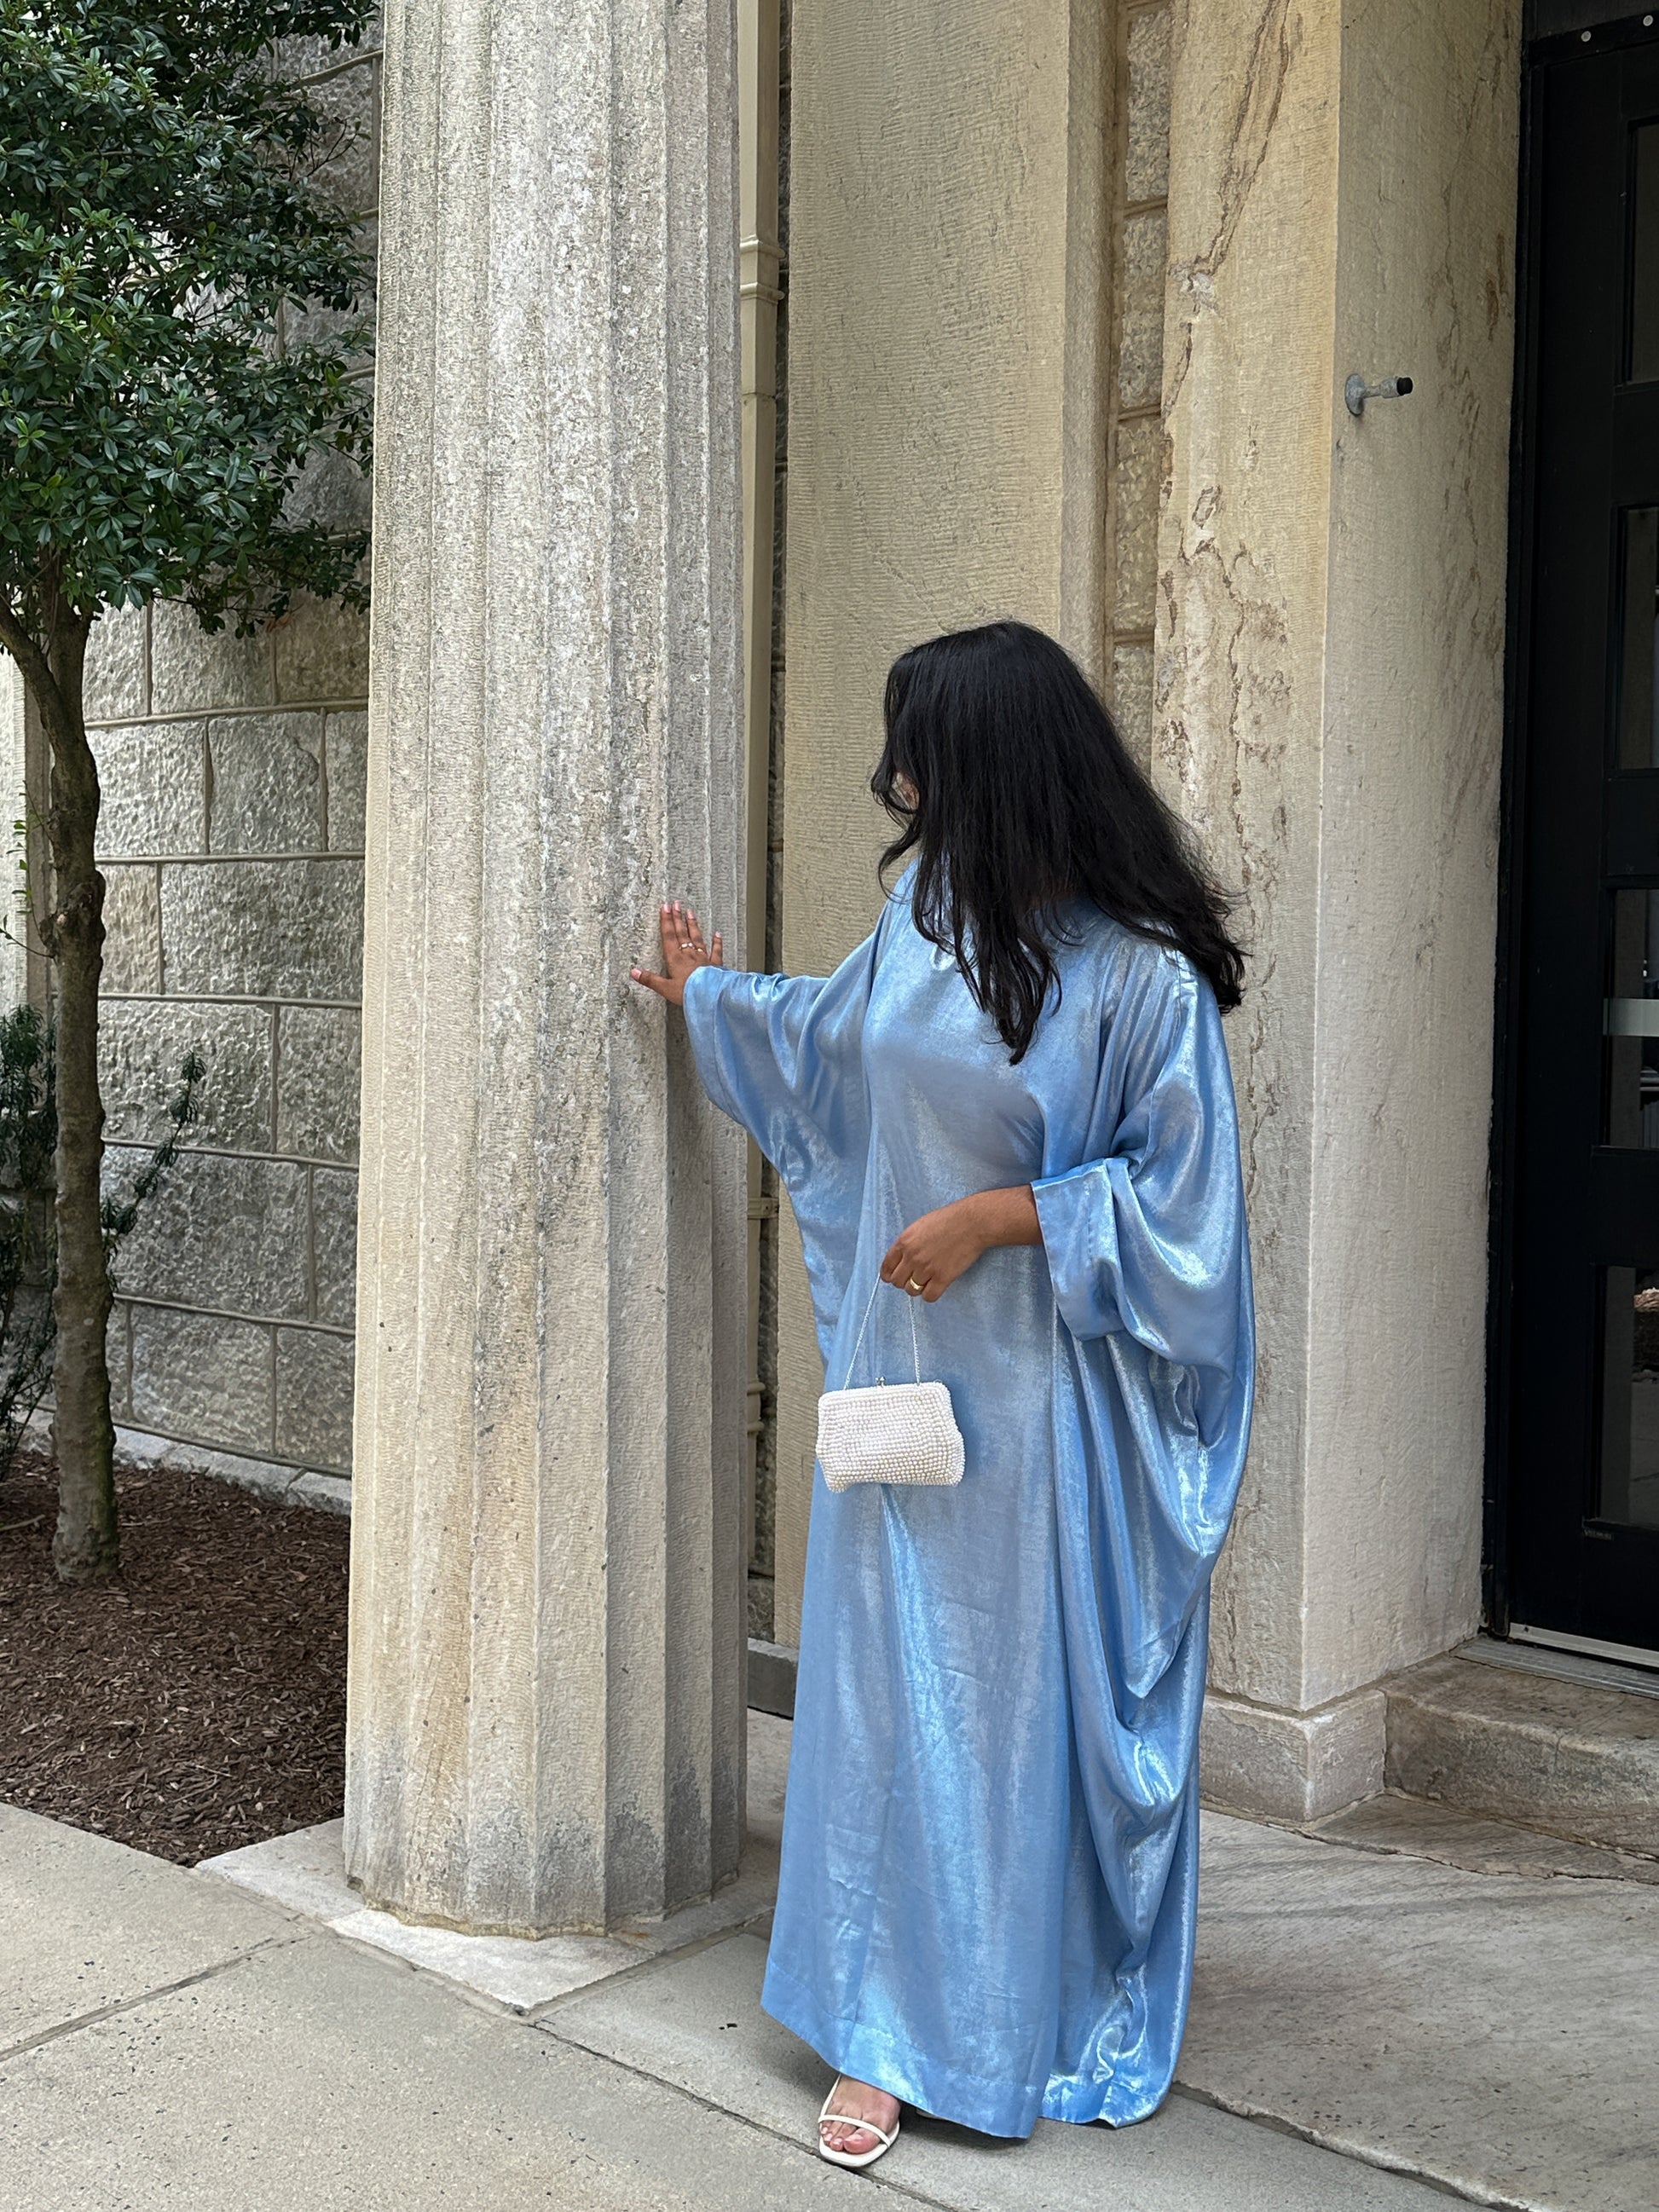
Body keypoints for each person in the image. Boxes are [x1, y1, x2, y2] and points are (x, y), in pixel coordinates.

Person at [629, 619, 1254, 2170]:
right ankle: (882, 2027)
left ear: (990, 757)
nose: (889, 769)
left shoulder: (1138, 980)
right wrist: (712, 1000)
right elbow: (838, 1050)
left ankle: (998, 2016)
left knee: (999, 1712)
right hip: (912, 1394)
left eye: (915, 737)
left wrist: (1004, 1215)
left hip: (1053, 1417)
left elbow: (1192, 1222)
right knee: (884, 1703)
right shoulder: (921, 913)